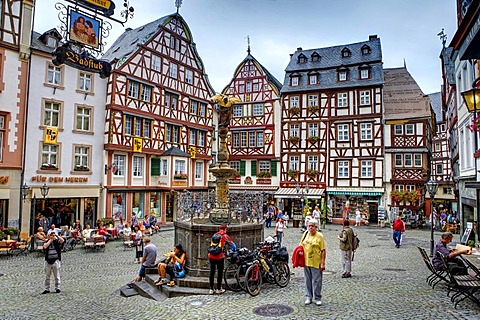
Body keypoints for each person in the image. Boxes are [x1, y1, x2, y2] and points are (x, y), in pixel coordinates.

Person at [300, 219, 326, 306]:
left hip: (316, 262)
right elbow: (301, 245)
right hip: (306, 261)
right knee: (307, 280)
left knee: (317, 281)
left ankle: (318, 297)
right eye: (309, 226)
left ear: (316, 227)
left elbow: (323, 250)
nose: (310, 228)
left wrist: (323, 263)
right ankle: (308, 297)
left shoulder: (320, 236)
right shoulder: (305, 234)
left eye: (312, 226)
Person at [208, 224, 233, 295]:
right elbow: (232, 245)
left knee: (212, 272)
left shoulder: (214, 235)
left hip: (211, 255)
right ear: (225, 229)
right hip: (220, 256)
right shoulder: (225, 236)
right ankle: (219, 289)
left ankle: (211, 289)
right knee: (219, 272)